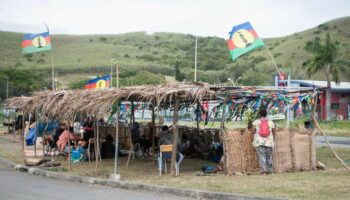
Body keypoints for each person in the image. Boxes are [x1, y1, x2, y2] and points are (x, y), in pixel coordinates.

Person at [252, 109, 275, 174]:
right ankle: (270, 171)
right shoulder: (271, 122)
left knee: (262, 156)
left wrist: (252, 139)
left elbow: (253, 132)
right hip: (269, 141)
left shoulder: (256, 122)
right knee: (269, 156)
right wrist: (273, 140)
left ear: (259, 114)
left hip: (259, 141)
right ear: (266, 114)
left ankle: (263, 171)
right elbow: (273, 132)